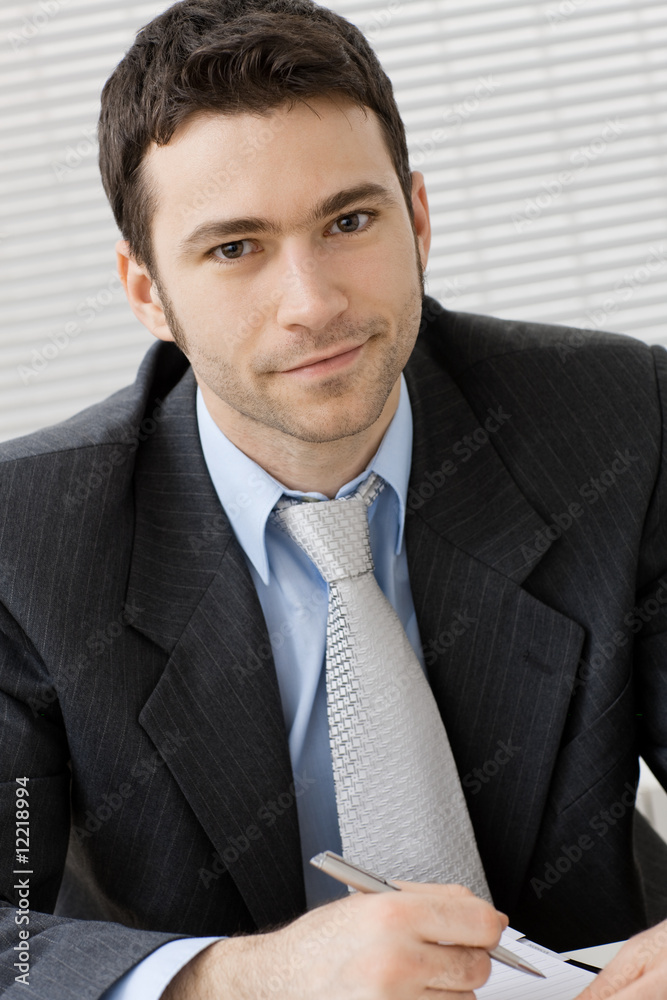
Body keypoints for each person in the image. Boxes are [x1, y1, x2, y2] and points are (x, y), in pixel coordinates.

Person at [0, 0, 666, 997]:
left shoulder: (617, 420)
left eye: (348, 221)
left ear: (419, 218)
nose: (312, 302)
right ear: (147, 293)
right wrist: (239, 980)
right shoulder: (27, 537)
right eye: (235, 249)